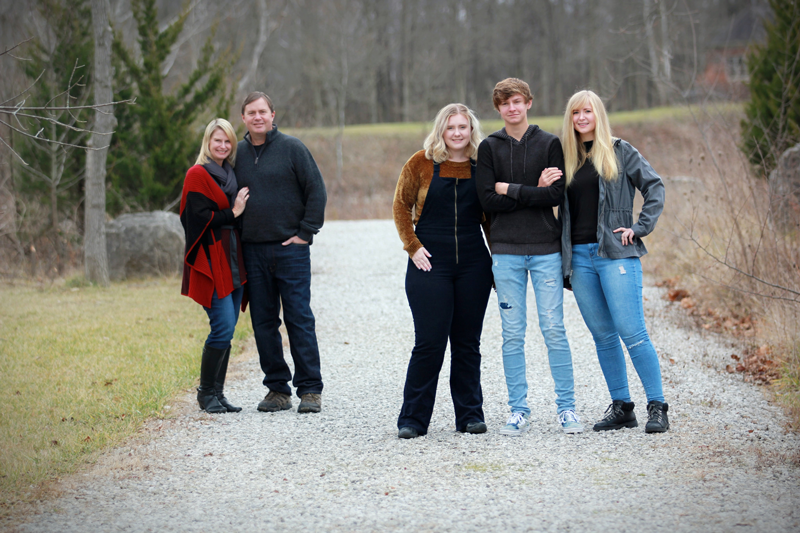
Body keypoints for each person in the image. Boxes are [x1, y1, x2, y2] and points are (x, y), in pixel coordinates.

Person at [475, 78, 583, 436]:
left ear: (529, 103)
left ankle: (567, 409)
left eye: (517, 101)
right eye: (505, 103)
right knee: (512, 334)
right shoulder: (489, 147)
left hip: (545, 251)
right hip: (504, 252)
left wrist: (510, 189)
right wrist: (530, 189)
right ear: (498, 108)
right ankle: (518, 410)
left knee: (553, 329)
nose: (512, 108)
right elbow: (486, 200)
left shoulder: (549, 144)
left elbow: (553, 196)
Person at [557, 89, 669, 433]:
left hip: (616, 254)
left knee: (632, 331)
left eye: (587, 111)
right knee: (603, 336)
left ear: (598, 115)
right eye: (575, 112)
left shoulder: (620, 151)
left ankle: (658, 406)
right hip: (579, 257)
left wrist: (639, 228)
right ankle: (622, 407)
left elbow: (655, 187)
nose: (581, 118)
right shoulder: (565, 156)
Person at [393, 103, 493, 439]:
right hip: (429, 261)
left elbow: (492, 218)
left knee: (467, 343)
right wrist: (413, 246)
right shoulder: (420, 163)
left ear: (471, 130)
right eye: (451, 127)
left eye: (463, 127)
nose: (457, 133)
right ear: (441, 130)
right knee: (429, 343)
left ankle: (470, 416)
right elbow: (400, 206)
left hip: (473, 263)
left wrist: (498, 262)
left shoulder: (483, 166)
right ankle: (413, 420)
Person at [236, 92, 327, 414]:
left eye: (263, 111)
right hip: (253, 251)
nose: (257, 117)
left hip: (291, 251)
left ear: (273, 114)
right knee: (263, 321)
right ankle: (277, 389)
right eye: (251, 112)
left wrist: (305, 233)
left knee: (299, 318)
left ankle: (310, 389)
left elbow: (316, 190)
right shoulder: (239, 153)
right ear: (243, 118)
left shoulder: (292, 148)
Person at [180, 118, 250, 414]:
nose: (222, 146)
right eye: (217, 140)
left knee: (229, 328)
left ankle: (218, 395)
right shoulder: (197, 175)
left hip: (233, 259)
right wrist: (233, 212)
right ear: (207, 143)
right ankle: (204, 393)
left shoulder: (230, 174)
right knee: (221, 327)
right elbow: (196, 219)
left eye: (227, 141)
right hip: (211, 260)